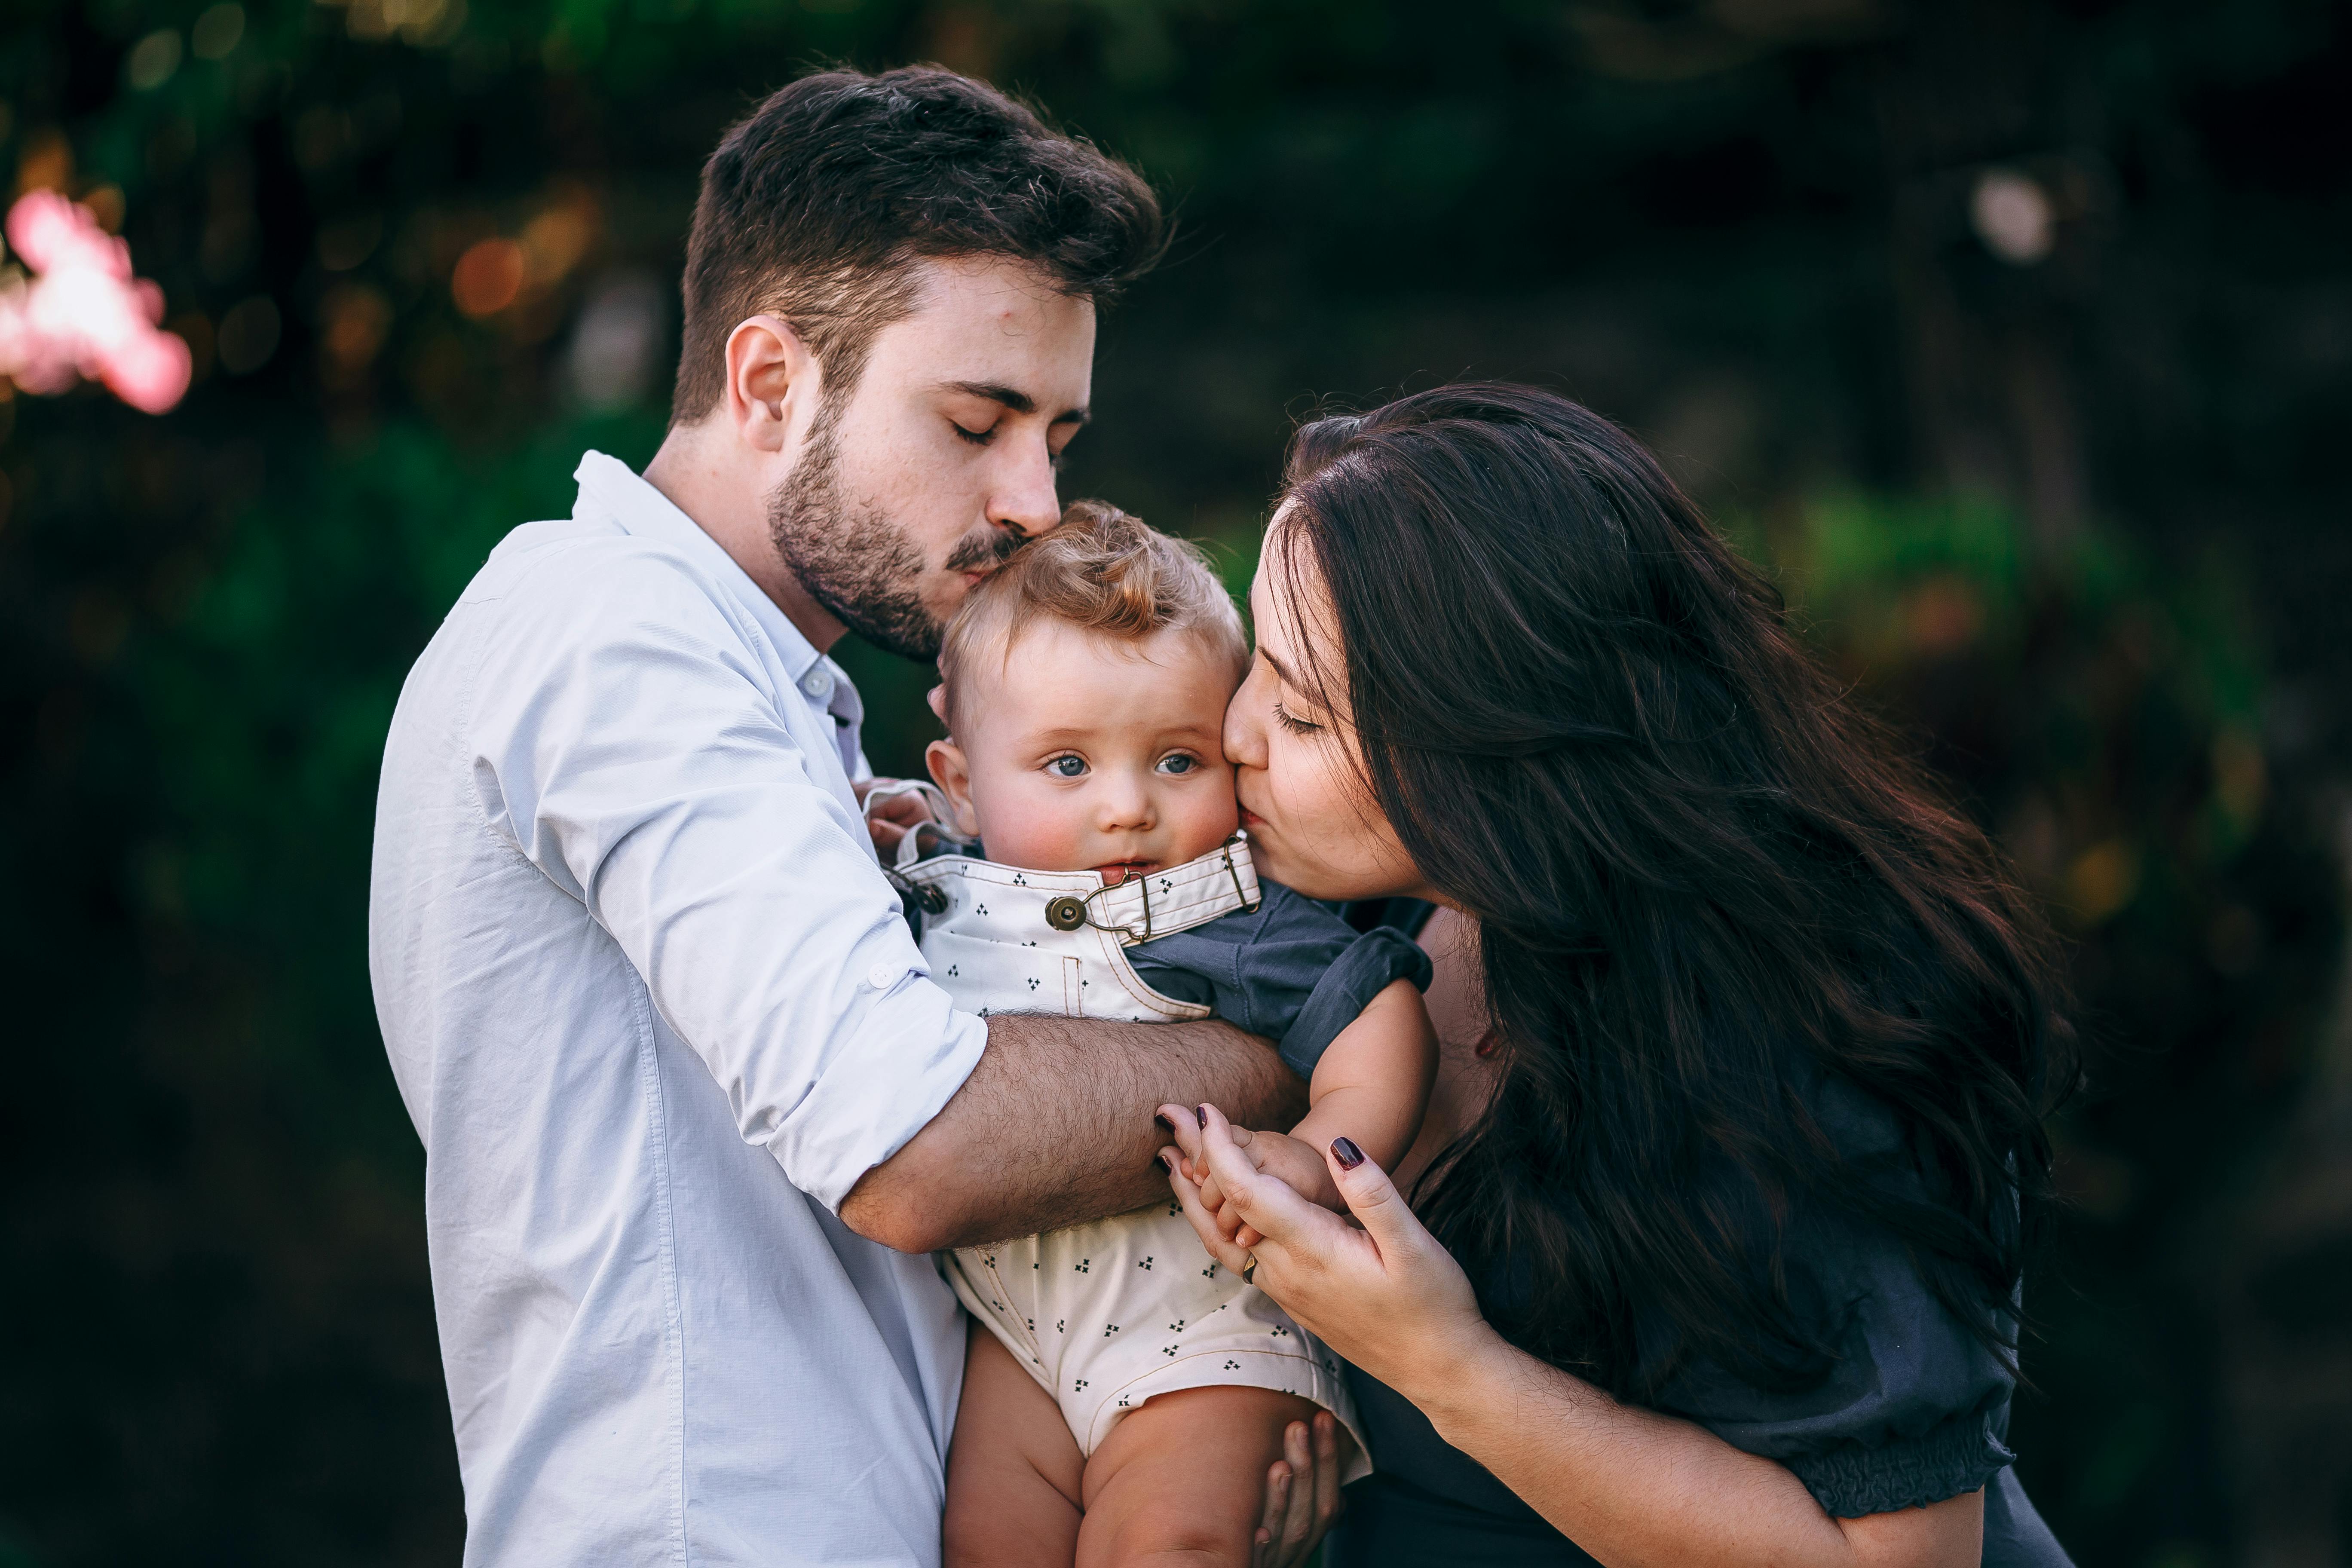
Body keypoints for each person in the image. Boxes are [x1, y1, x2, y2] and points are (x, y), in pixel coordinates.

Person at [367, 68, 1341, 1566]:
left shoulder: (769, 698)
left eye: (1058, 440)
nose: (1033, 500)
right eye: (977, 420)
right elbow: (916, 1140)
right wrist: (1303, 1037)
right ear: (768, 382)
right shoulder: (613, 637)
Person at [1159, 383, 2079, 1565]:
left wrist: (1449, 1370)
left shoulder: (1812, 1031)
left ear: (1495, 742)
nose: (1233, 736)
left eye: (1300, 712)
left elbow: (1903, 1558)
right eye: (1256, 671)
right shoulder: (1363, 912)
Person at [883, 502, 1434, 1565]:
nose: (1130, 808)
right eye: (1070, 767)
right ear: (961, 783)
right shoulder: (934, 889)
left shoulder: (1210, 911)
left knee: (1172, 1543)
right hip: (1015, 1342)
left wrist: (1321, 1156)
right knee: (984, 1544)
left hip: (1205, 1338)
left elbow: (1378, 1004)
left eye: (1178, 761)